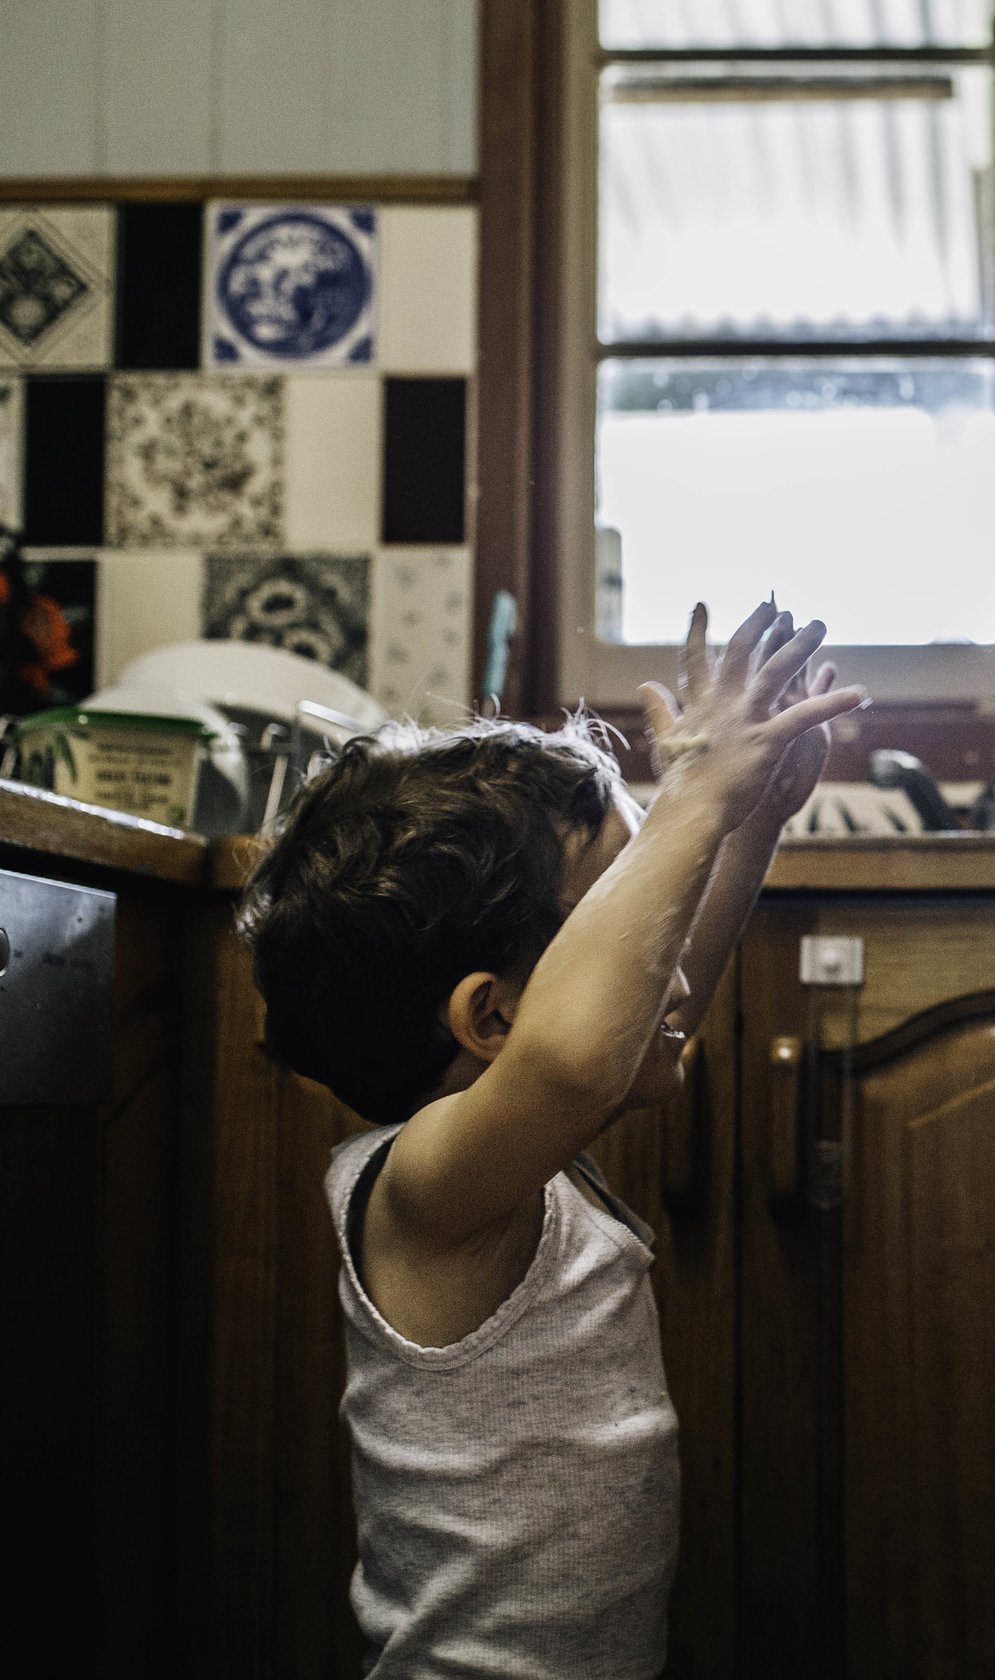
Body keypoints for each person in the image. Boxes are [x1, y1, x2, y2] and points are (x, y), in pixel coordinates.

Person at [238, 604, 861, 1678]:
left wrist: (742, 819)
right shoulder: (425, 1195)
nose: (659, 979)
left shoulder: (521, 1155)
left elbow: (650, 1004)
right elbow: (581, 1053)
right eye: (610, 927)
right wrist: (692, 798)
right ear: (489, 1022)